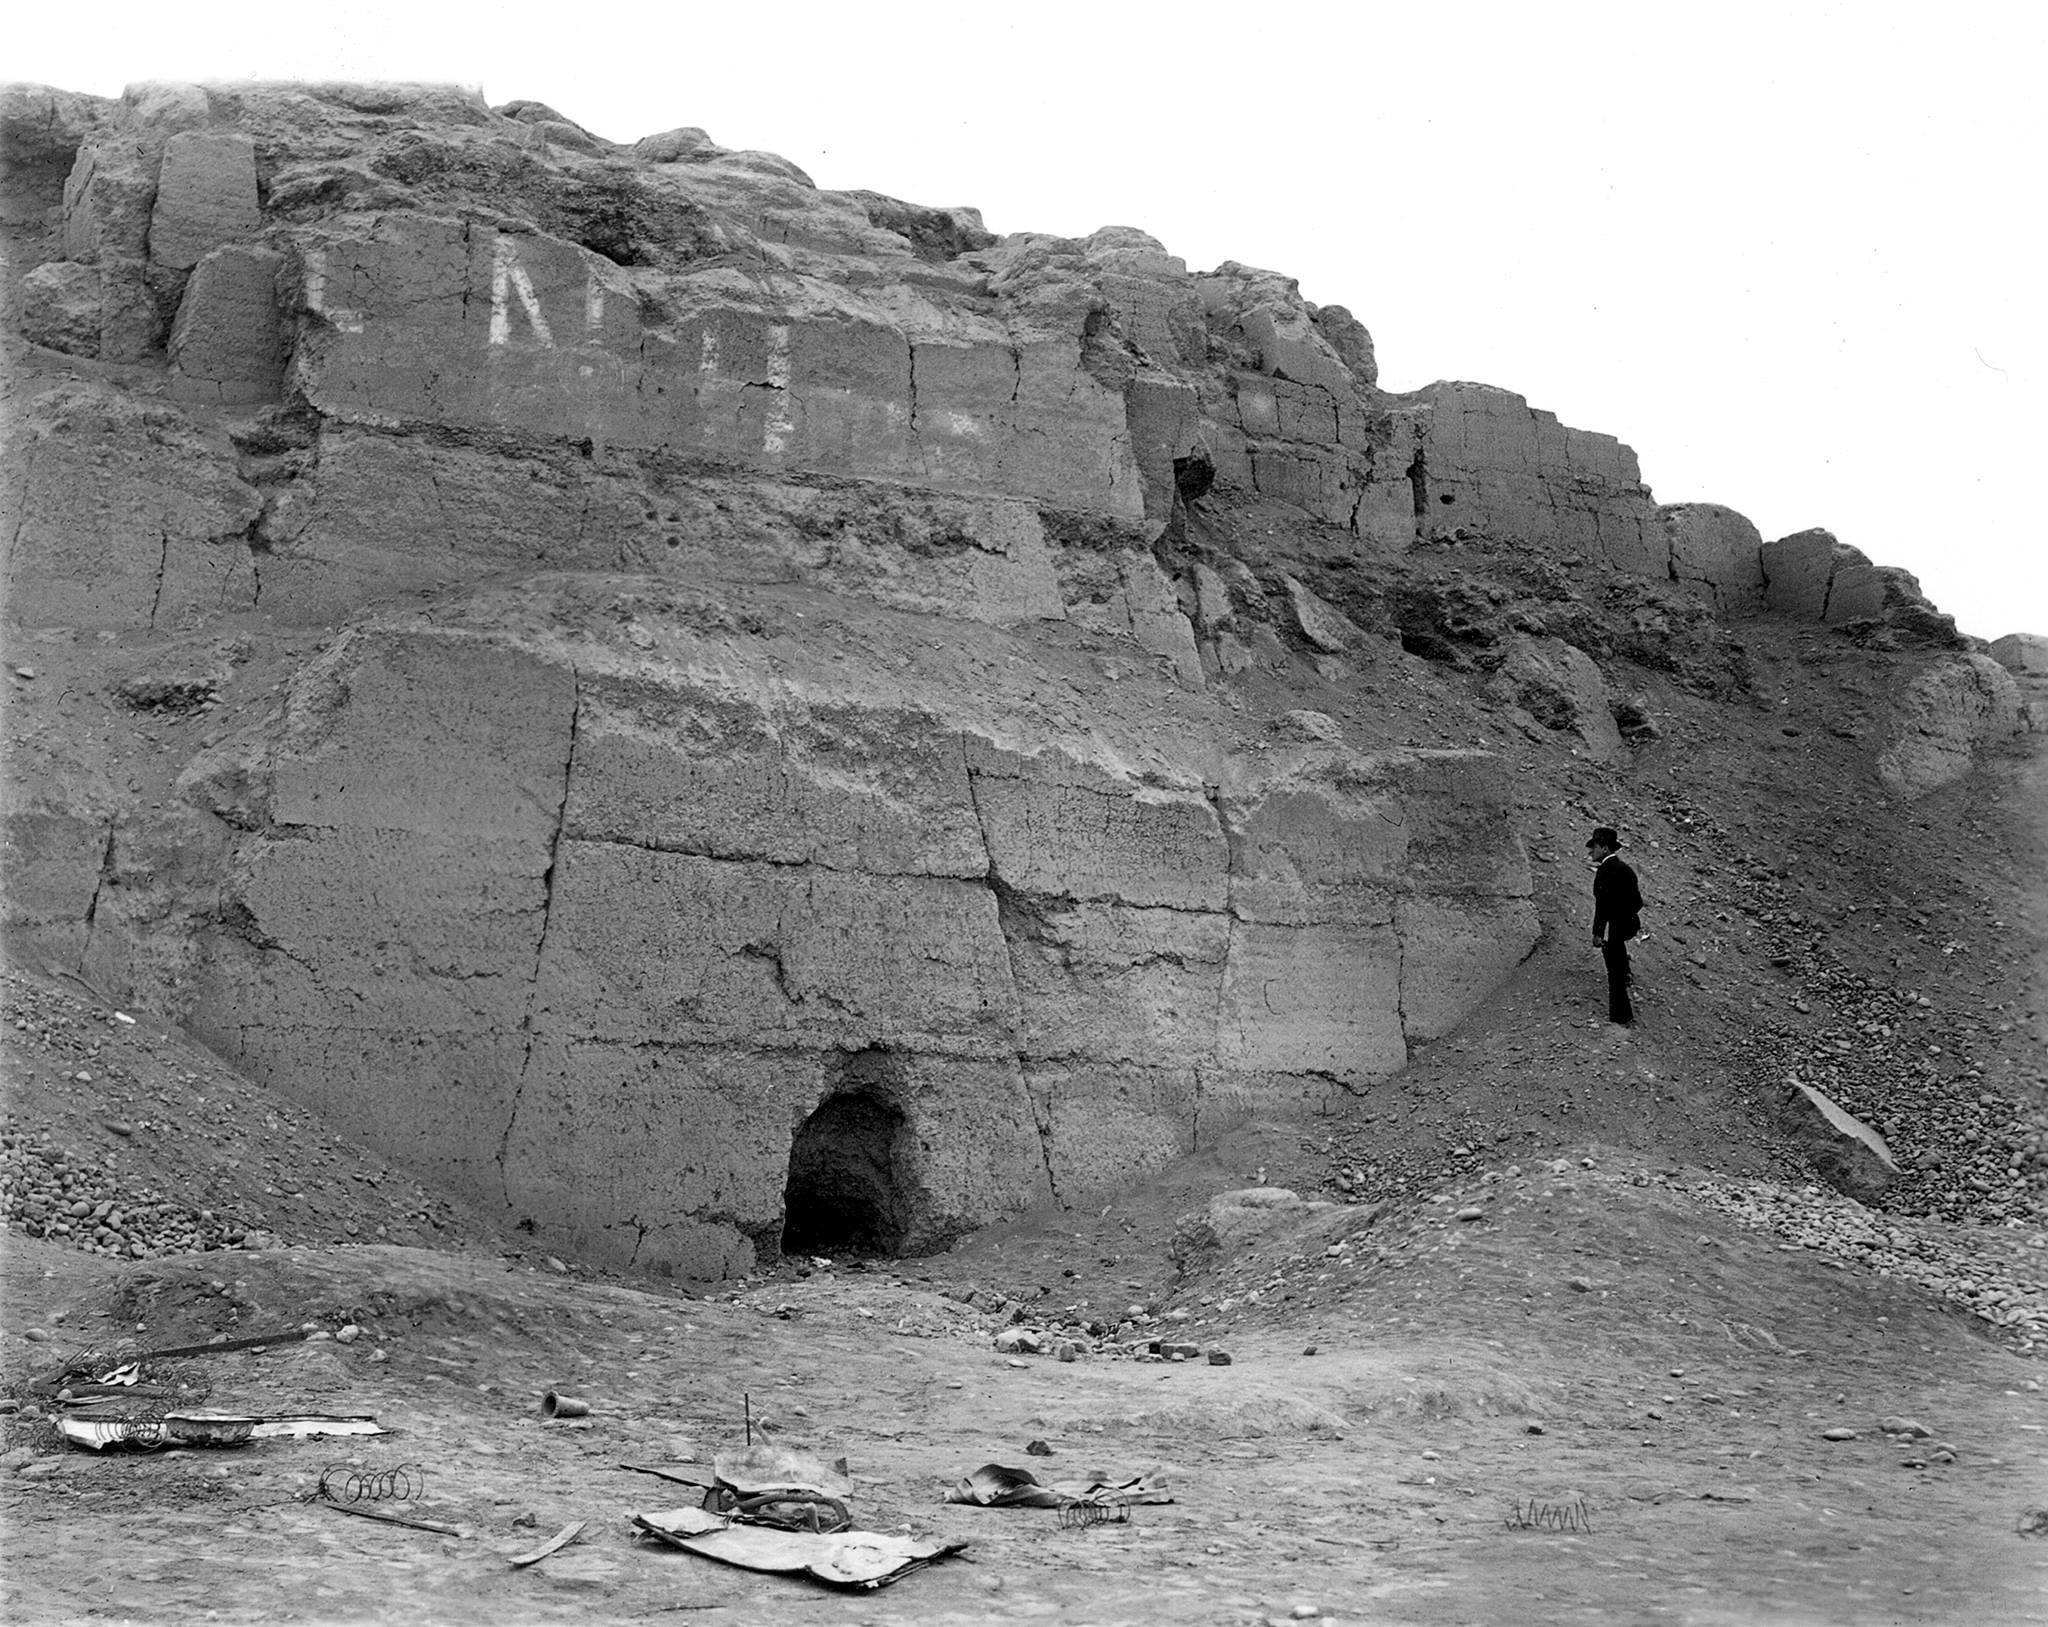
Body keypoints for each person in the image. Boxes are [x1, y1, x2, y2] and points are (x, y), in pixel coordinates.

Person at [1586, 826, 1641, 1025]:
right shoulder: (1625, 869)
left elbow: (1602, 906)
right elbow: (1637, 902)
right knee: (1619, 962)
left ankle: (1621, 1016)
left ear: (1605, 848)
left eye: (1595, 847)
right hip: (1626, 924)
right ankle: (1627, 974)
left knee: (1613, 973)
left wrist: (1598, 932)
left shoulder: (1606, 871)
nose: (1591, 851)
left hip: (1612, 927)